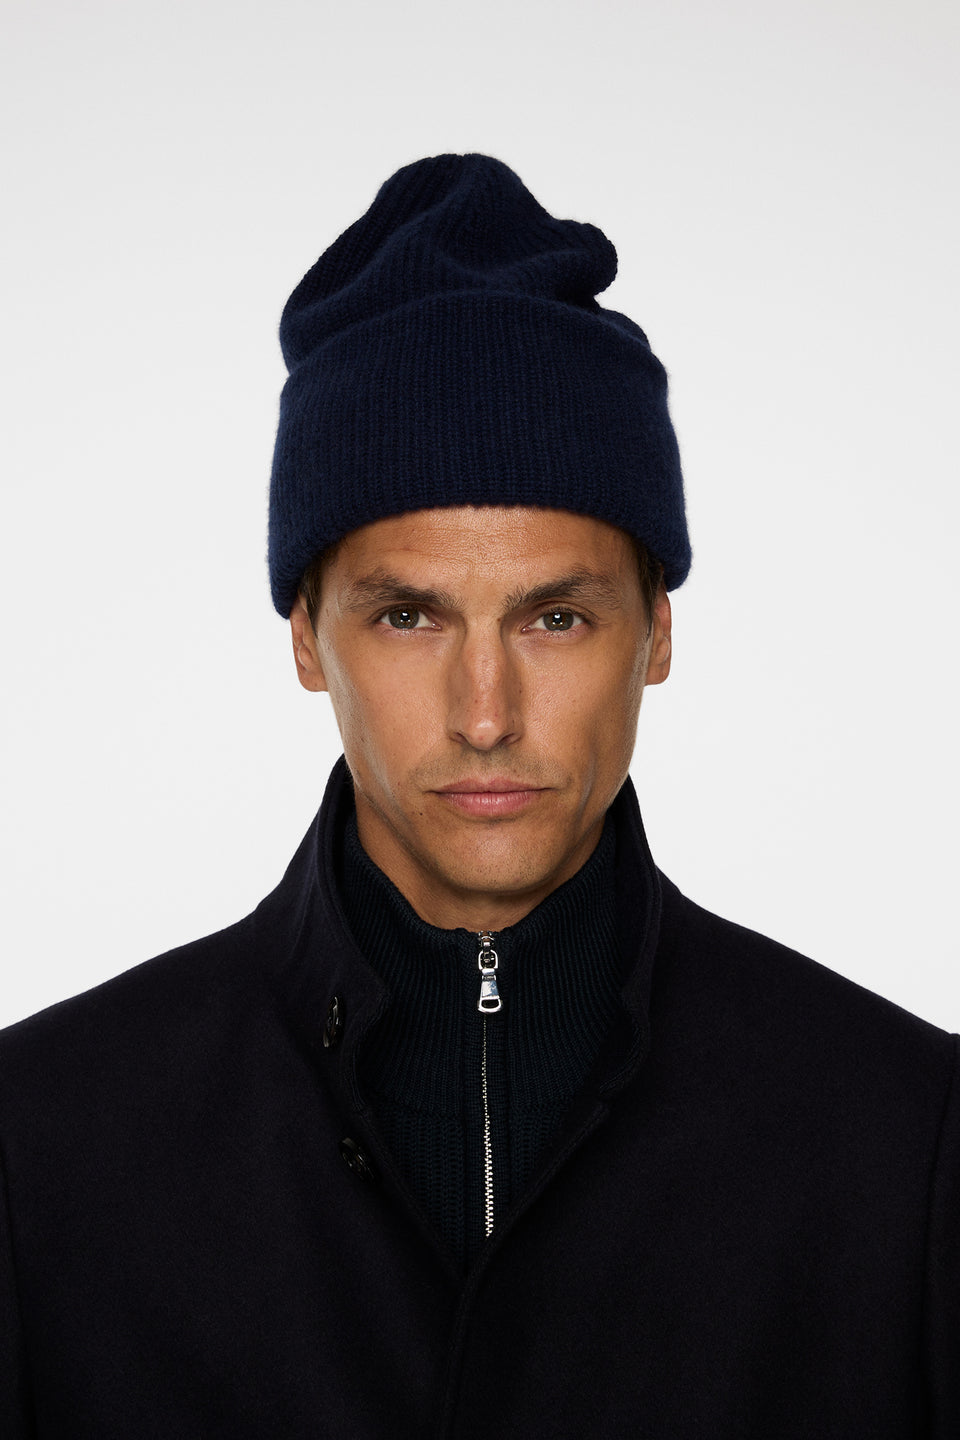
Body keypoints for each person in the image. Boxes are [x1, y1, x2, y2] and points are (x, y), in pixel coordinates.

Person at [0, 154, 956, 1439]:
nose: (487, 713)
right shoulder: (46, 1145)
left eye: (557, 617)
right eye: (409, 617)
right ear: (306, 638)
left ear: (657, 634)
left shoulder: (902, 1136)